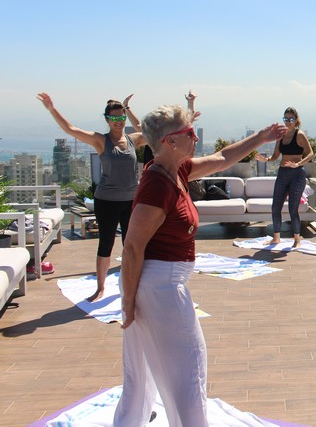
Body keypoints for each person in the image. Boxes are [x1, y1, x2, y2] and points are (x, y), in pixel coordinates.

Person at [113, 103, 285, 425]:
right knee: (189, 369)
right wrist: (128, 303)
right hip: (159, 285)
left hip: (156, 284)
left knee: (146, 376)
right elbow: (133, 247)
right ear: (169, 142)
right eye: (188, 132)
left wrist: (260, 138)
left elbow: (223, 159)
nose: (195, 137)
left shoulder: (174, 170)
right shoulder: (156, 185)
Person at [37, 92, 147, 302]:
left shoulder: (133, 140)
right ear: (107, 120)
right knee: (105, 244)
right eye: (114, 118)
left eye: (121, 117)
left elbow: (145, 130)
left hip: (130, 200)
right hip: (106, 201)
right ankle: (100, 288)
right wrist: (52, 108)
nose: (119, 121)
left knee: (130, 245)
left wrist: (128, 109)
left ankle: (132, 285)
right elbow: (71, 130)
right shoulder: (101, 140)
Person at [256, 107, 314, 248]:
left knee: (292, 209)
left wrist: (298, 164)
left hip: (297, 174)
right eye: (285, 119)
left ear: (296, 121)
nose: (288, 122)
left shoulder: (299, 135)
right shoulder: (280, 136)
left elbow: (310, 154)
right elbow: (276, 156)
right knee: (276, 207)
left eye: (291, 119)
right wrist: (266, 159)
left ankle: (297, 240)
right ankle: (276, 238)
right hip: (282, 173)